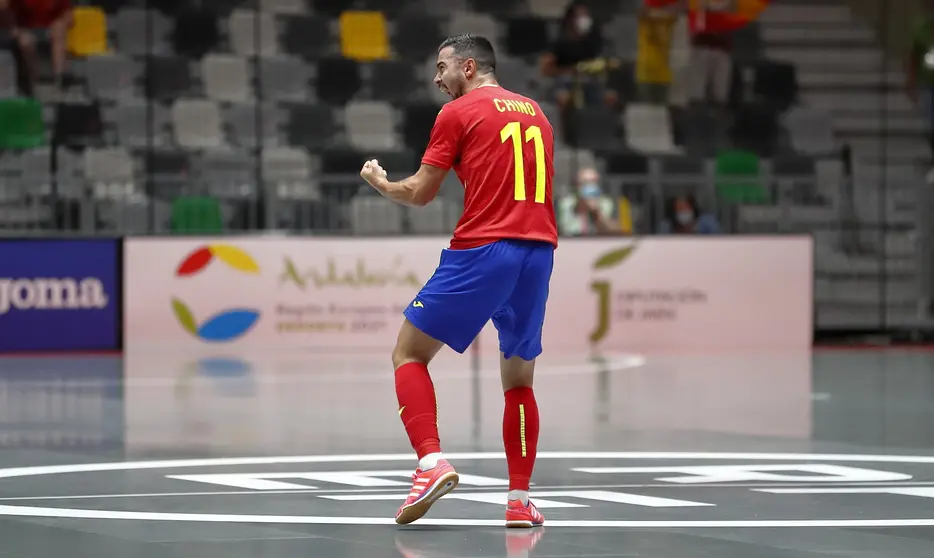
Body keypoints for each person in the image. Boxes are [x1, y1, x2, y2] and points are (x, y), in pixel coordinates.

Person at [359, 33, 557, 528]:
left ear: (469, 67)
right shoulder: (537, 113)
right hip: (538, 253)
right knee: (519, 381)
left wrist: (382, 183)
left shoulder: (459, 112)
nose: (437, 78)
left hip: (485, 249)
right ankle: (518, 499)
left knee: (409, 353)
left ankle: (430, 462)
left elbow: (421, 193)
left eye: (442, 66)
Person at [557, 167, 619, 236]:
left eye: (593, 181)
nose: (590, 185)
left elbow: (614, 230)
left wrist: (596, 212)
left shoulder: (606, 202)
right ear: (577, 185)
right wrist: (580, 207)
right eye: (585, 182)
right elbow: (564, 229)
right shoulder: (566, 203)